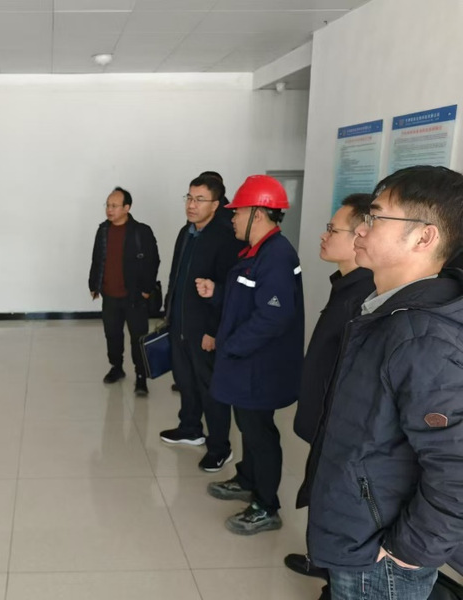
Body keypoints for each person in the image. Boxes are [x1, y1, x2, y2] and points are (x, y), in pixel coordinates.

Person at [301, 165, 463, 599]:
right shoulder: (385, 310)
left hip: (381, 555)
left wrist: (408, 550)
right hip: (359, 531)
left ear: (424, 237)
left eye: (375, 217)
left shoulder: (422, 335)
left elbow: (456, 467)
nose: (361, 228)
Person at [196, 175, 304, 535]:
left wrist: (231, 345)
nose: (233, 218)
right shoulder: (256, 252)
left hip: (260, 368)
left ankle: (266, 505)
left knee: (260, 433)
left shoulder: (277, 256)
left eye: (238, 212)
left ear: (258, 213)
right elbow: (246, 298)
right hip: (248, 364)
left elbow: (273, 315)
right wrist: (217, 292)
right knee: (248, 426)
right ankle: (247, 479)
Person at [282, 194, 375, 596]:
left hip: (338, 427)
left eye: (332, 230)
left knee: (333, 500)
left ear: (360, 236)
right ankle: (322, 561)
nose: (323, 236)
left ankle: (332, 577)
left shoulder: (364, 296)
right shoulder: (346, 286)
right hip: (323, 421)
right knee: (321, 493)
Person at [159, 175, 244, 472]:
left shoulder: (225, 237)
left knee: (211, 388)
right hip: (180, 322)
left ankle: (220, 447)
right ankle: (190, 428)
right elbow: (176, 275)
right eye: (189, 198)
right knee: (185, 380)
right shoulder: (187, 231)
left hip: (205, 328)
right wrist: (169, 312)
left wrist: (213, 331)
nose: (191, 205)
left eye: (199, 200)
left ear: (216, 204)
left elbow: (227, 290)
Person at [89, 187, 160, 396]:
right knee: (112, 334)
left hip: (134, 296)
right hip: (110, 295)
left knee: (138, 338)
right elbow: (97, 258)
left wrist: (146, 290)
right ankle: (116, 367)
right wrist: (94, 285)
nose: (109, 210)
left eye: (114, 206)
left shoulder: (141, 231)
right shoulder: (103, 230)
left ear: (127, 208)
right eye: (107, 205)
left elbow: (153, 261)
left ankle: (141, 376)